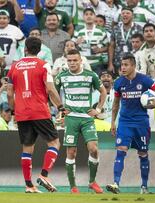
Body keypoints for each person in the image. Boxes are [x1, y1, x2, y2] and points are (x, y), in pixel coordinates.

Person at [7, 37, 64, 193]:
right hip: (39, 110)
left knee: (27, 149)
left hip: (21, 112)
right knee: (54, 143)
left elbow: (9, 93)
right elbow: (51, 89)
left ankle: (29, 185)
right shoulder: (43, 65)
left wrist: (13, 110)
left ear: (25, 48)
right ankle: (44, 175)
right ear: (39, 50)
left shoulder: (14, 67)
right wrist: (60, 107)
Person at [106, 53, 155, 194]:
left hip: (141, 123)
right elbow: (115, 104)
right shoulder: (119, 82)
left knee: (143, 153)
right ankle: (116, 184)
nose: (123, 68)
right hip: (125, 122)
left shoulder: (145, 80)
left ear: (133, 66)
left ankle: (144, 187)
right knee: (121, 150)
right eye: (122, 65)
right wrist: (113, 122)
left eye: (126, 65)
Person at [55, 49, 107, 194]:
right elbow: (52, 93)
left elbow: (103, 92)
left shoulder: (91, 76)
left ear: (80, 61)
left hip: (87, 119)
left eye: (75, 60)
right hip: (71, 119)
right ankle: (73, 187)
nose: (72, 63)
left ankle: (92, 182)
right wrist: (60, 109)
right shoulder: (62, 76)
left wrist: (98, 109)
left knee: (94, 149)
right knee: (71, 152)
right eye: (69, 60)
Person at [73, 8, 109, 76]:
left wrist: (100, 49)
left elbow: (107, 47)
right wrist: (76, 43)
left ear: (95, 16)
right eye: (86, 14)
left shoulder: (101, 31)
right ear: (83, 17)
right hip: (82, 63)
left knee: (97, 85)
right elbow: (72, 46)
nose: (89, 16)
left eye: (91, 14)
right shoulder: (78, 31)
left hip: (97, 64)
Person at [108, 7, 142, 75]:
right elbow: (111, 46)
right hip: (118, 63)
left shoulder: (139, 28)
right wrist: (110, 63)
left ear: (133, 16)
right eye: (123, 13)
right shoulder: (116, 28)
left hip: (134, 63)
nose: (125, 15)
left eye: (128, 13)